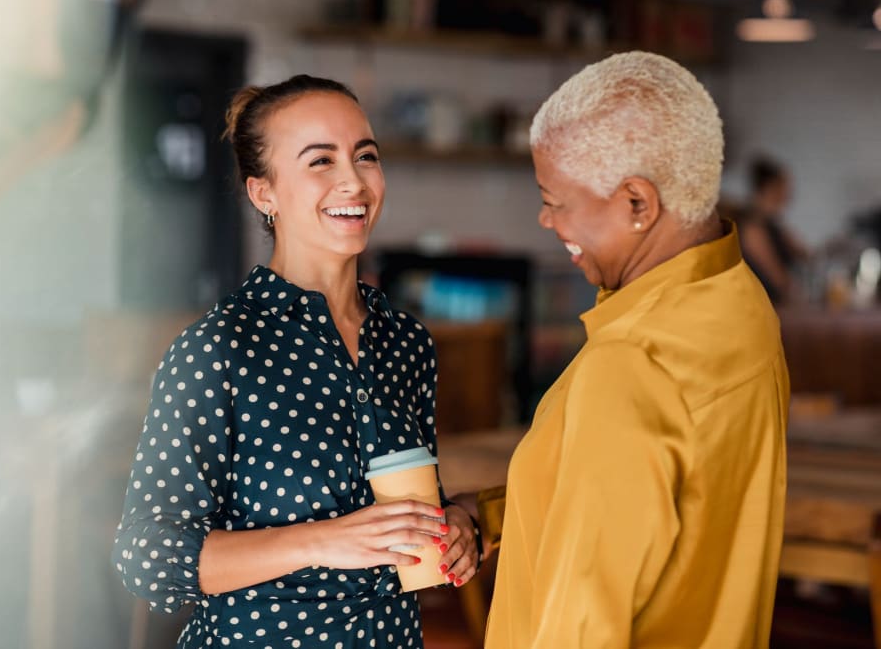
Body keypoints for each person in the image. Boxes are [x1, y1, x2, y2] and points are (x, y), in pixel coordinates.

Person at [112, 74, 479, 648]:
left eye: (366, 156)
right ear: (265, 194)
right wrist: (323, 541)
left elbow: (410, 504)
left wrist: (460, 521)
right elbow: (148, 558)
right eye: (320, 161)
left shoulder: (407, 343)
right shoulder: (219, 349)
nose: (353, 181)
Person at [477, 52, 789, 647]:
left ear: (637, 204)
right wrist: (497, 513)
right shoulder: (741, 305)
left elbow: (582, 626)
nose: (546, 219)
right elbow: (670, 505)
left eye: (556, 199)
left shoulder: (631, 364)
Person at [739, 154, 809, 304]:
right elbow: (778, 279)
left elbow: (804, 254)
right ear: (771, 188)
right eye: (785, 187)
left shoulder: (773, 225)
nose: (789, 194)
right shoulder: (753, 228)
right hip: (762, 307)